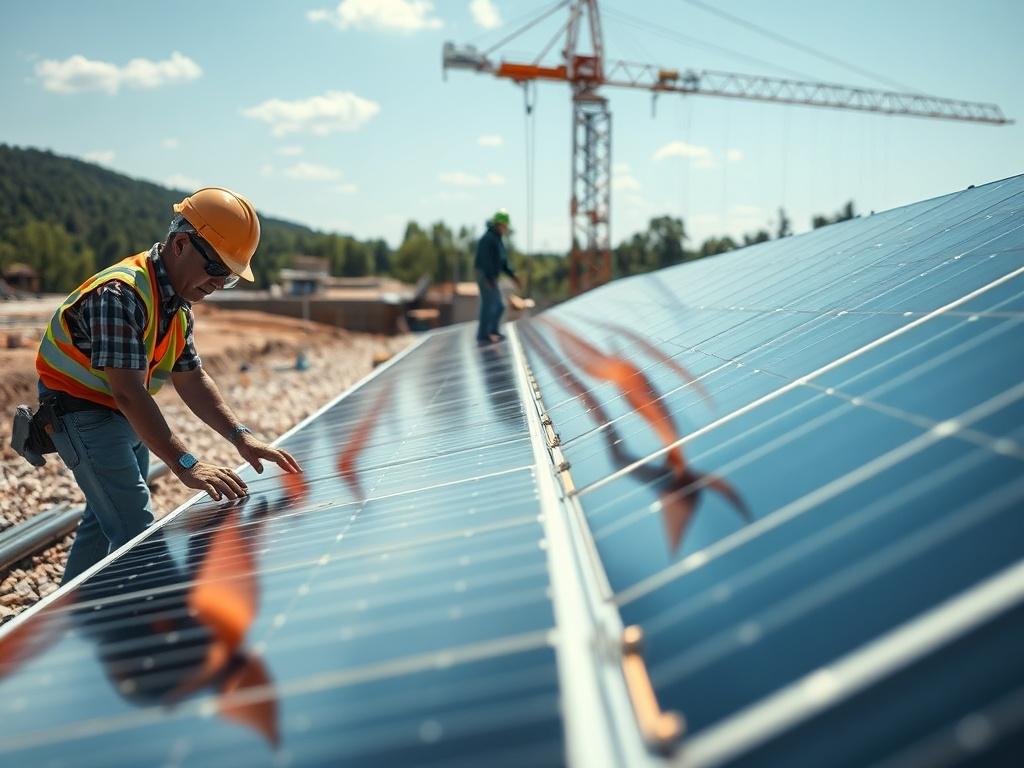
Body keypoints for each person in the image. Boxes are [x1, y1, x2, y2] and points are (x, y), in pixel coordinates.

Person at [34, 186, 303, 584]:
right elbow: (128, 391)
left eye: (228, 277)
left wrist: (240, 436)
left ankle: (70, 616)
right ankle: (142, 628)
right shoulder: (121, 294)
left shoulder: (176, 306)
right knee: (136, 528)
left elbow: (192, 378)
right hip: (81, 410)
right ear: (181, 244)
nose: (218, 282)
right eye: (216, 269)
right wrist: (186, 463)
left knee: (103, 514)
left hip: (121, 413)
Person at [474, 208, 520, 344]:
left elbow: (503, 262)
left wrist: (513, 276)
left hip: (490, 276)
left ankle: (492, 332)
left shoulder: (497, 239)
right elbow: (485, 260)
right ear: (499, 224)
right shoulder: (488, 239)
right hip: (485, 275)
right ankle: (483, 336)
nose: (506, 229)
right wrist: (488, 278)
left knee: (498, 305)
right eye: (504, 226)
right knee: (490, 305)